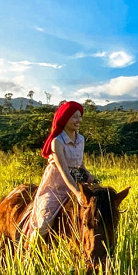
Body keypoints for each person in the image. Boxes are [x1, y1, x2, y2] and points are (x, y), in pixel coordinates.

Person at [26, 100, 95, 242]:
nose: (79, 120)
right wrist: (76, 193)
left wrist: (87, 173)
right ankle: (29, 255)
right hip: (57, 185)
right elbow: (63, 170)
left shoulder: (81, 139)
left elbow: (78, 162)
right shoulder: (57, 141)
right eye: (75, 117)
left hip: (78, 180)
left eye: (80, 116)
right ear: (65, 118)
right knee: (43, 223)